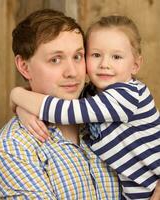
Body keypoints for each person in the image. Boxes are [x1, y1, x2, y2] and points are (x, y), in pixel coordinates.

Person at [10, 15, 160, 200]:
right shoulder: (91, 96)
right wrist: (22, 107)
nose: (105, 64)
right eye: (96, 55)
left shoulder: (127, 95)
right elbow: (61, 106)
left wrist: (17, 95)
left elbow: (63, 111)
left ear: (136, 65)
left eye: (77, 56)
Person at [0, 9, 120, 199]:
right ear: (24, 66)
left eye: (77, 56)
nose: (72, 72)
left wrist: (18, 96)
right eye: (55, 60)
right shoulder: (14, 146)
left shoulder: (111, 109)